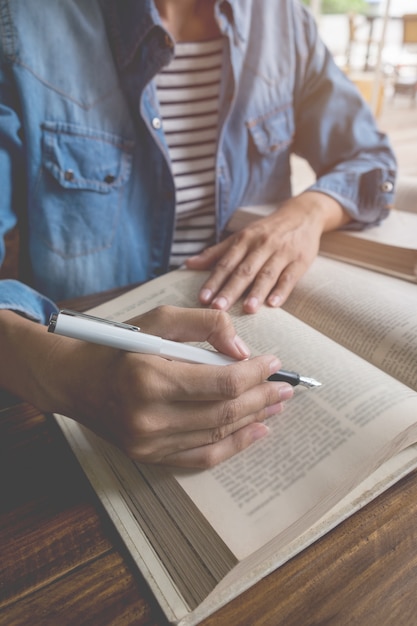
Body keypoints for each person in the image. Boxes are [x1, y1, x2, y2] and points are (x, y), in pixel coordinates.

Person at [0, 0, 396, 467]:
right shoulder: (21, 21)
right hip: (69, 382)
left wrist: (307, 213)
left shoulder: (283, 19)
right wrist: (63, 374)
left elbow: (371, 160)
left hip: (254, 325)